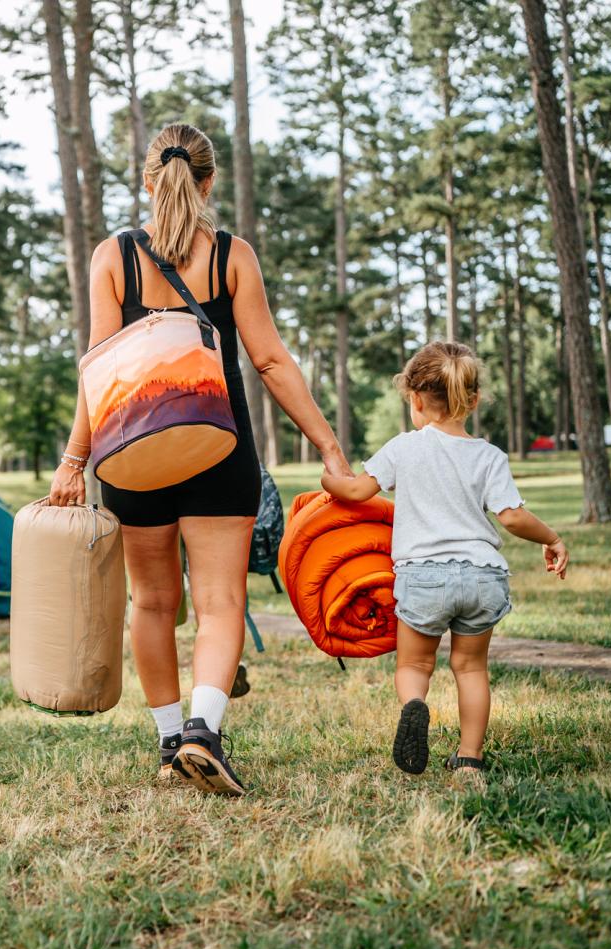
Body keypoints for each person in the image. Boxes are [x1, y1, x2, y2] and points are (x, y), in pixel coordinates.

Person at [47, 123, 353, 796]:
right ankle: (202, 732)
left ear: (148, 181)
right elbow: (270, 360)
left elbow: (97, 373)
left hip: (131, 457)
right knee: (219, 604)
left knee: (152, 604)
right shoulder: (230, 256)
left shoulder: (113, 257)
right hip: (220, 447)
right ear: (209, 181)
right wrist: (330, 447)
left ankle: (166, 745)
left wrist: (73, 461)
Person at [320, 341, 570, 784]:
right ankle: (470, 759)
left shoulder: (404, 448)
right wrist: (551, 538)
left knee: (415, 666)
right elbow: (511, 516)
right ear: (472, 400)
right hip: (483, 576)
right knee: (471, 668)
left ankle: (415, 705)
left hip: (424, 579)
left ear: (415, 400)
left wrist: (329, 479)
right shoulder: (490, 456)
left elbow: (357, 491)